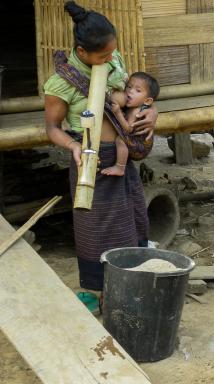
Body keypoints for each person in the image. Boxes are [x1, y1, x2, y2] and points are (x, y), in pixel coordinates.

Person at [43, 1, 157, 296]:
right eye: (102, 55)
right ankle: (107, 296)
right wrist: (71, 146)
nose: (110, 58)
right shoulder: (60, 84)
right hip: (89, 161)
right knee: (97, 232)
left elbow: (135, 93)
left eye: (112, 52)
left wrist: (151, 114)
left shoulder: (113, 58)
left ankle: (132, 291)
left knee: (130, 221)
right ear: (82, 52)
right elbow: (52, 128)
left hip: (120, 155)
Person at [102, 72, 160, 176]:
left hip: (140, 148)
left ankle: (120, 168)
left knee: (120, 140)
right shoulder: (132, 107)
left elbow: (128, 129)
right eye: (129, 87)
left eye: (138, 91)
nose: (130, 92)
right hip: (136, 142)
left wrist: (118, 113)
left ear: (147, 101)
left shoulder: (136, 112)